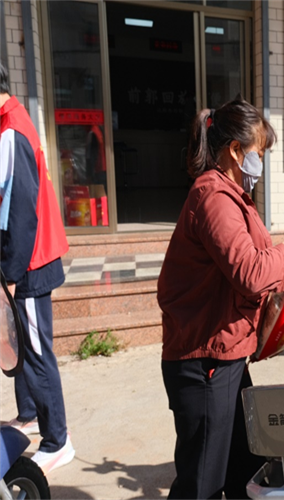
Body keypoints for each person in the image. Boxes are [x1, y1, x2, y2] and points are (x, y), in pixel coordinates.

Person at [157, 98, 284, 499]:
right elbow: (250, 273)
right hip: (204, 359)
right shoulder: (213, 197)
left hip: (225, 353)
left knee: (244, 469)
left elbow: (248, 259)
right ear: (235, 150)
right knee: (203, 482)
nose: (260, 163)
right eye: (258, 153)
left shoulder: (231, 194)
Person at [0, 60, 75, 474]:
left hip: (29, 261)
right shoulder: (13, 120)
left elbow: (20, 211)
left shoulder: (11, 130)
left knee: (36, 351)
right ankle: (29, 414)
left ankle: (57, 440)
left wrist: (11, 275)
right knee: (22, 345)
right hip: (26, 257)